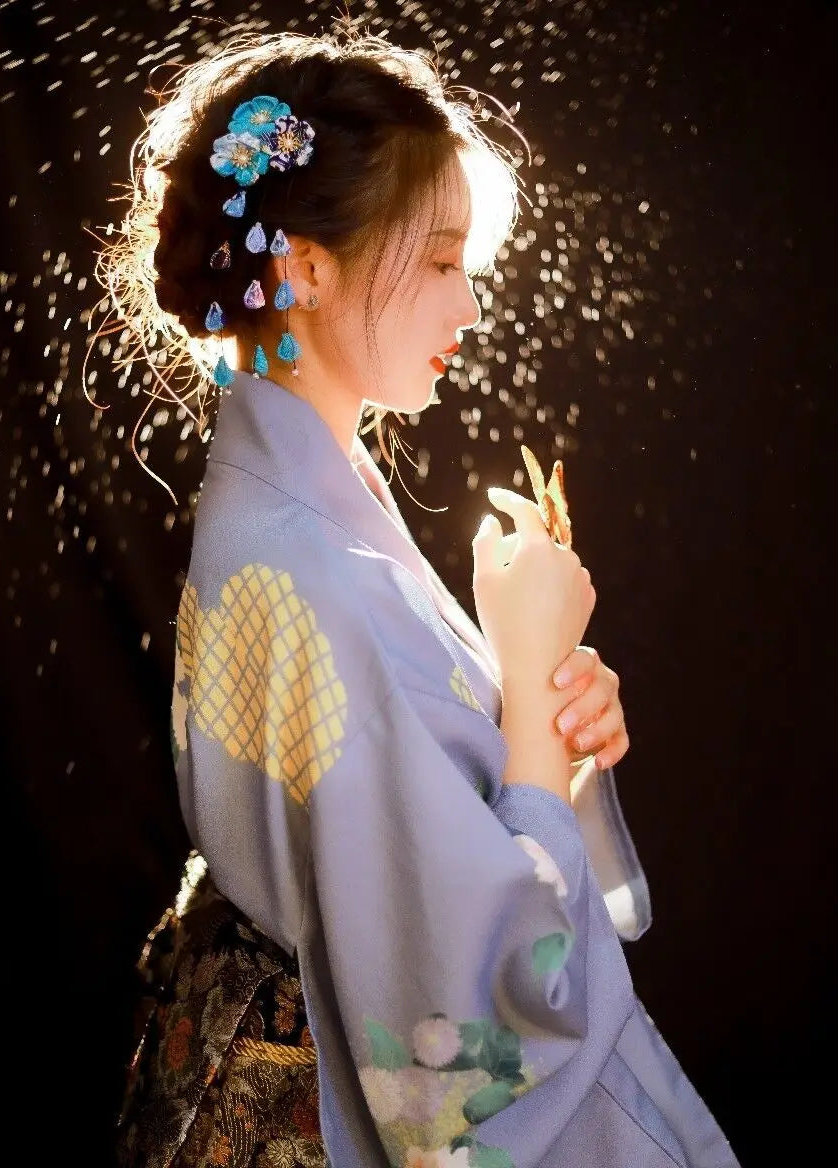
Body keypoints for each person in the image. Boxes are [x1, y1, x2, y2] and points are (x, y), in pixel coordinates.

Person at [100, 24, 741, 1168]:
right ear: (301, 266)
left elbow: (413, 816)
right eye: (441, 260)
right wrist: (526, 672)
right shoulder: (303, 566)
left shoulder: (301, 512)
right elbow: (465, 1007)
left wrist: (540, 724)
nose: (472, 307)